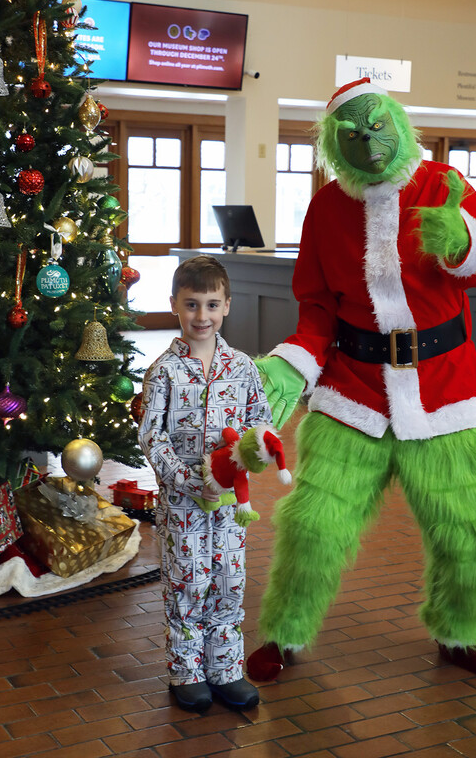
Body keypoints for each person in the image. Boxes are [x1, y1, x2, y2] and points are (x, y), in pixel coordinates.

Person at [246, 78, 476, 686]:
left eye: (377, 127)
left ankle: (460, 636)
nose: (368, 143)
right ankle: (286, 634)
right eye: (352, 135)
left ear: (397, 121)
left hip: (447, 391)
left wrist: (462, 242)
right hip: (354, 392)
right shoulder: (326, 207)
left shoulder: (444, 184)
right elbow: (316, 309)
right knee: (314, 525)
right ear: (332, 145)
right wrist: (291, 367)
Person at [138, 254, 277, 712]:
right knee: (188, 583)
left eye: (212, 305)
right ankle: (187, 672)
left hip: (232, 507)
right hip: (184, 505)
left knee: (228, 581)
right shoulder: (165, 372)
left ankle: (225, 668)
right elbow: (152, 438)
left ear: (228, 306)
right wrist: (187, 481)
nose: (203, 316)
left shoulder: (242, 368)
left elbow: (261, 423)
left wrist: (254, 454)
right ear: (175, 305)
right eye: (192, 305)